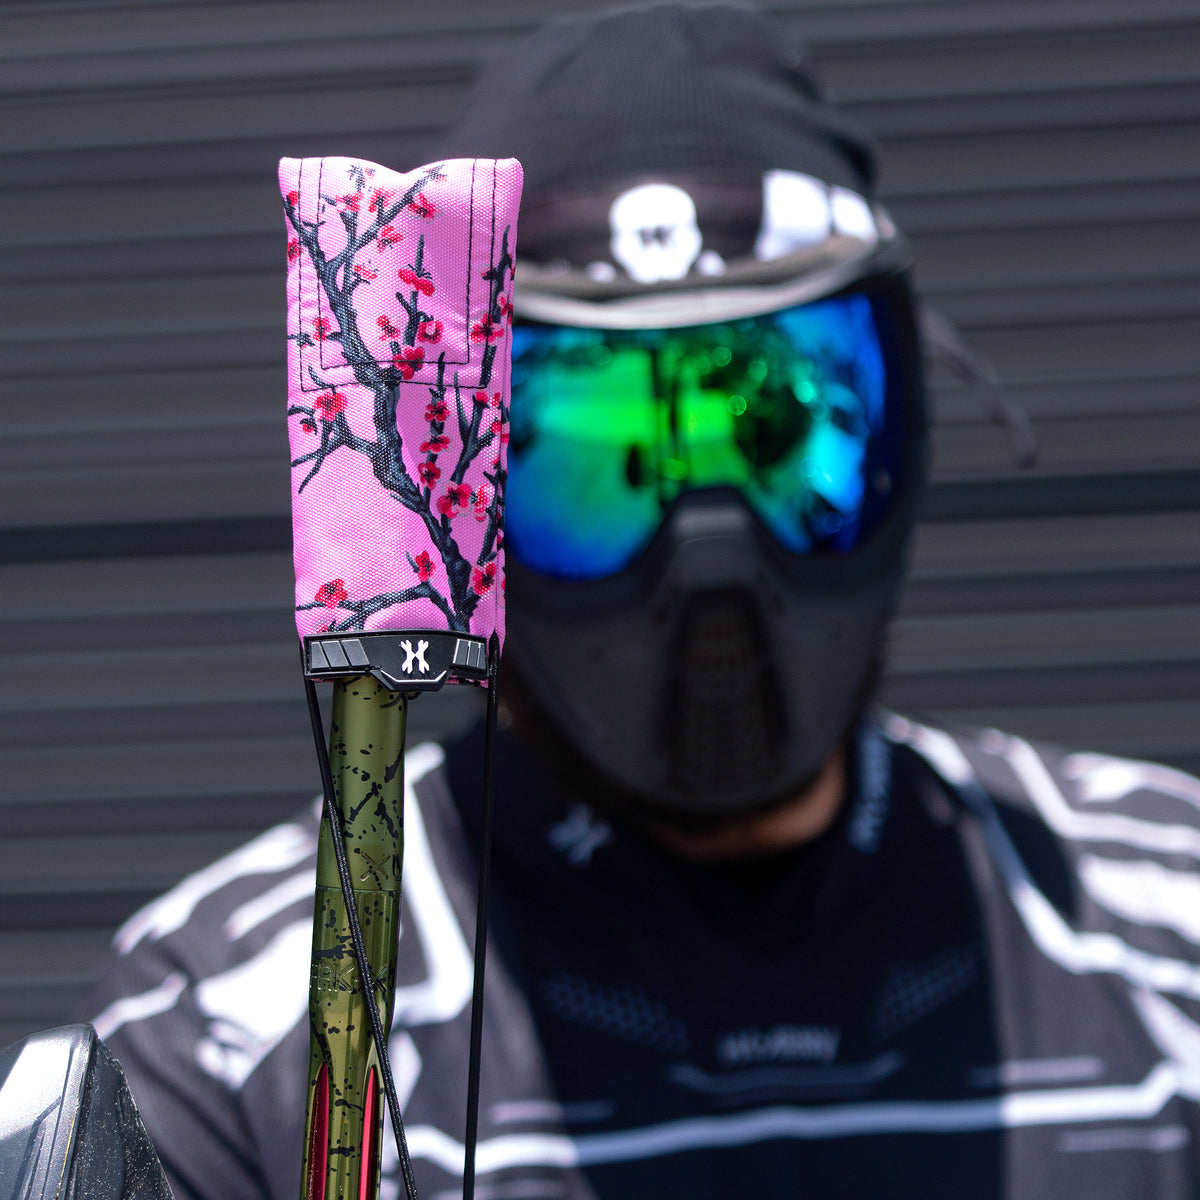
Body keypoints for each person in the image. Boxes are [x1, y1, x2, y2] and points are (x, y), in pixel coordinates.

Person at [85, 6, 1200, 1199]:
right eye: (594, 449)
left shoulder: (1168, 925)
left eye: (773, 426)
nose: (711, 562)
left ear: (901, 436)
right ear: (458, 493)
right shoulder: (253, 1031)